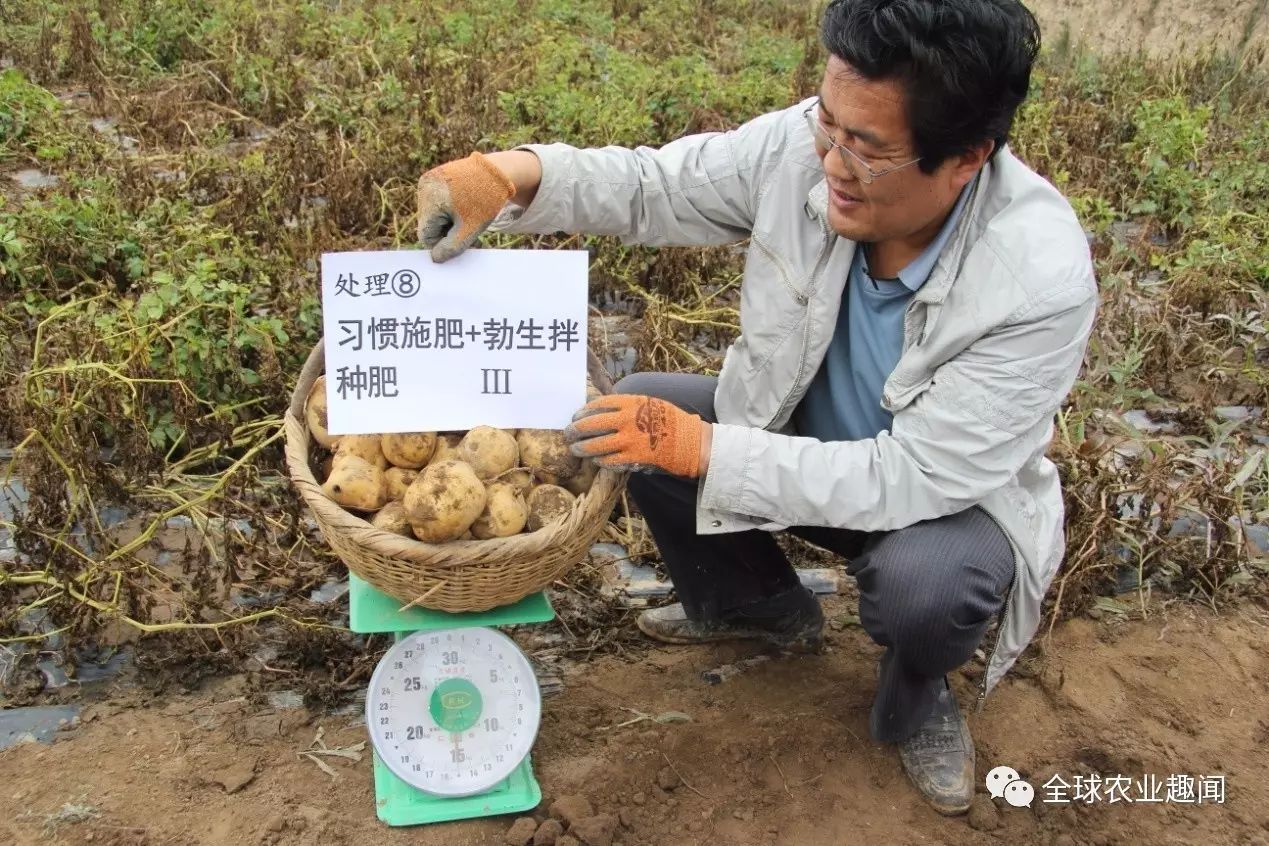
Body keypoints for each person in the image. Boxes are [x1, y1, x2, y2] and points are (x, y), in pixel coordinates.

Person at [414, 0, 1096, 815]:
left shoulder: (1036, 279)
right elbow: (657, 184)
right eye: (828, 127)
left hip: (938, 503)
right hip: (799, 439)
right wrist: (516, 174)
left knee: (927, 589)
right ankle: (762, 611)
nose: (833, 163)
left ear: (966, 158)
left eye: (867, 149)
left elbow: (913, 475)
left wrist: (707, 452)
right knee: (628, 415)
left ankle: (918, 694)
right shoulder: (807, 147)